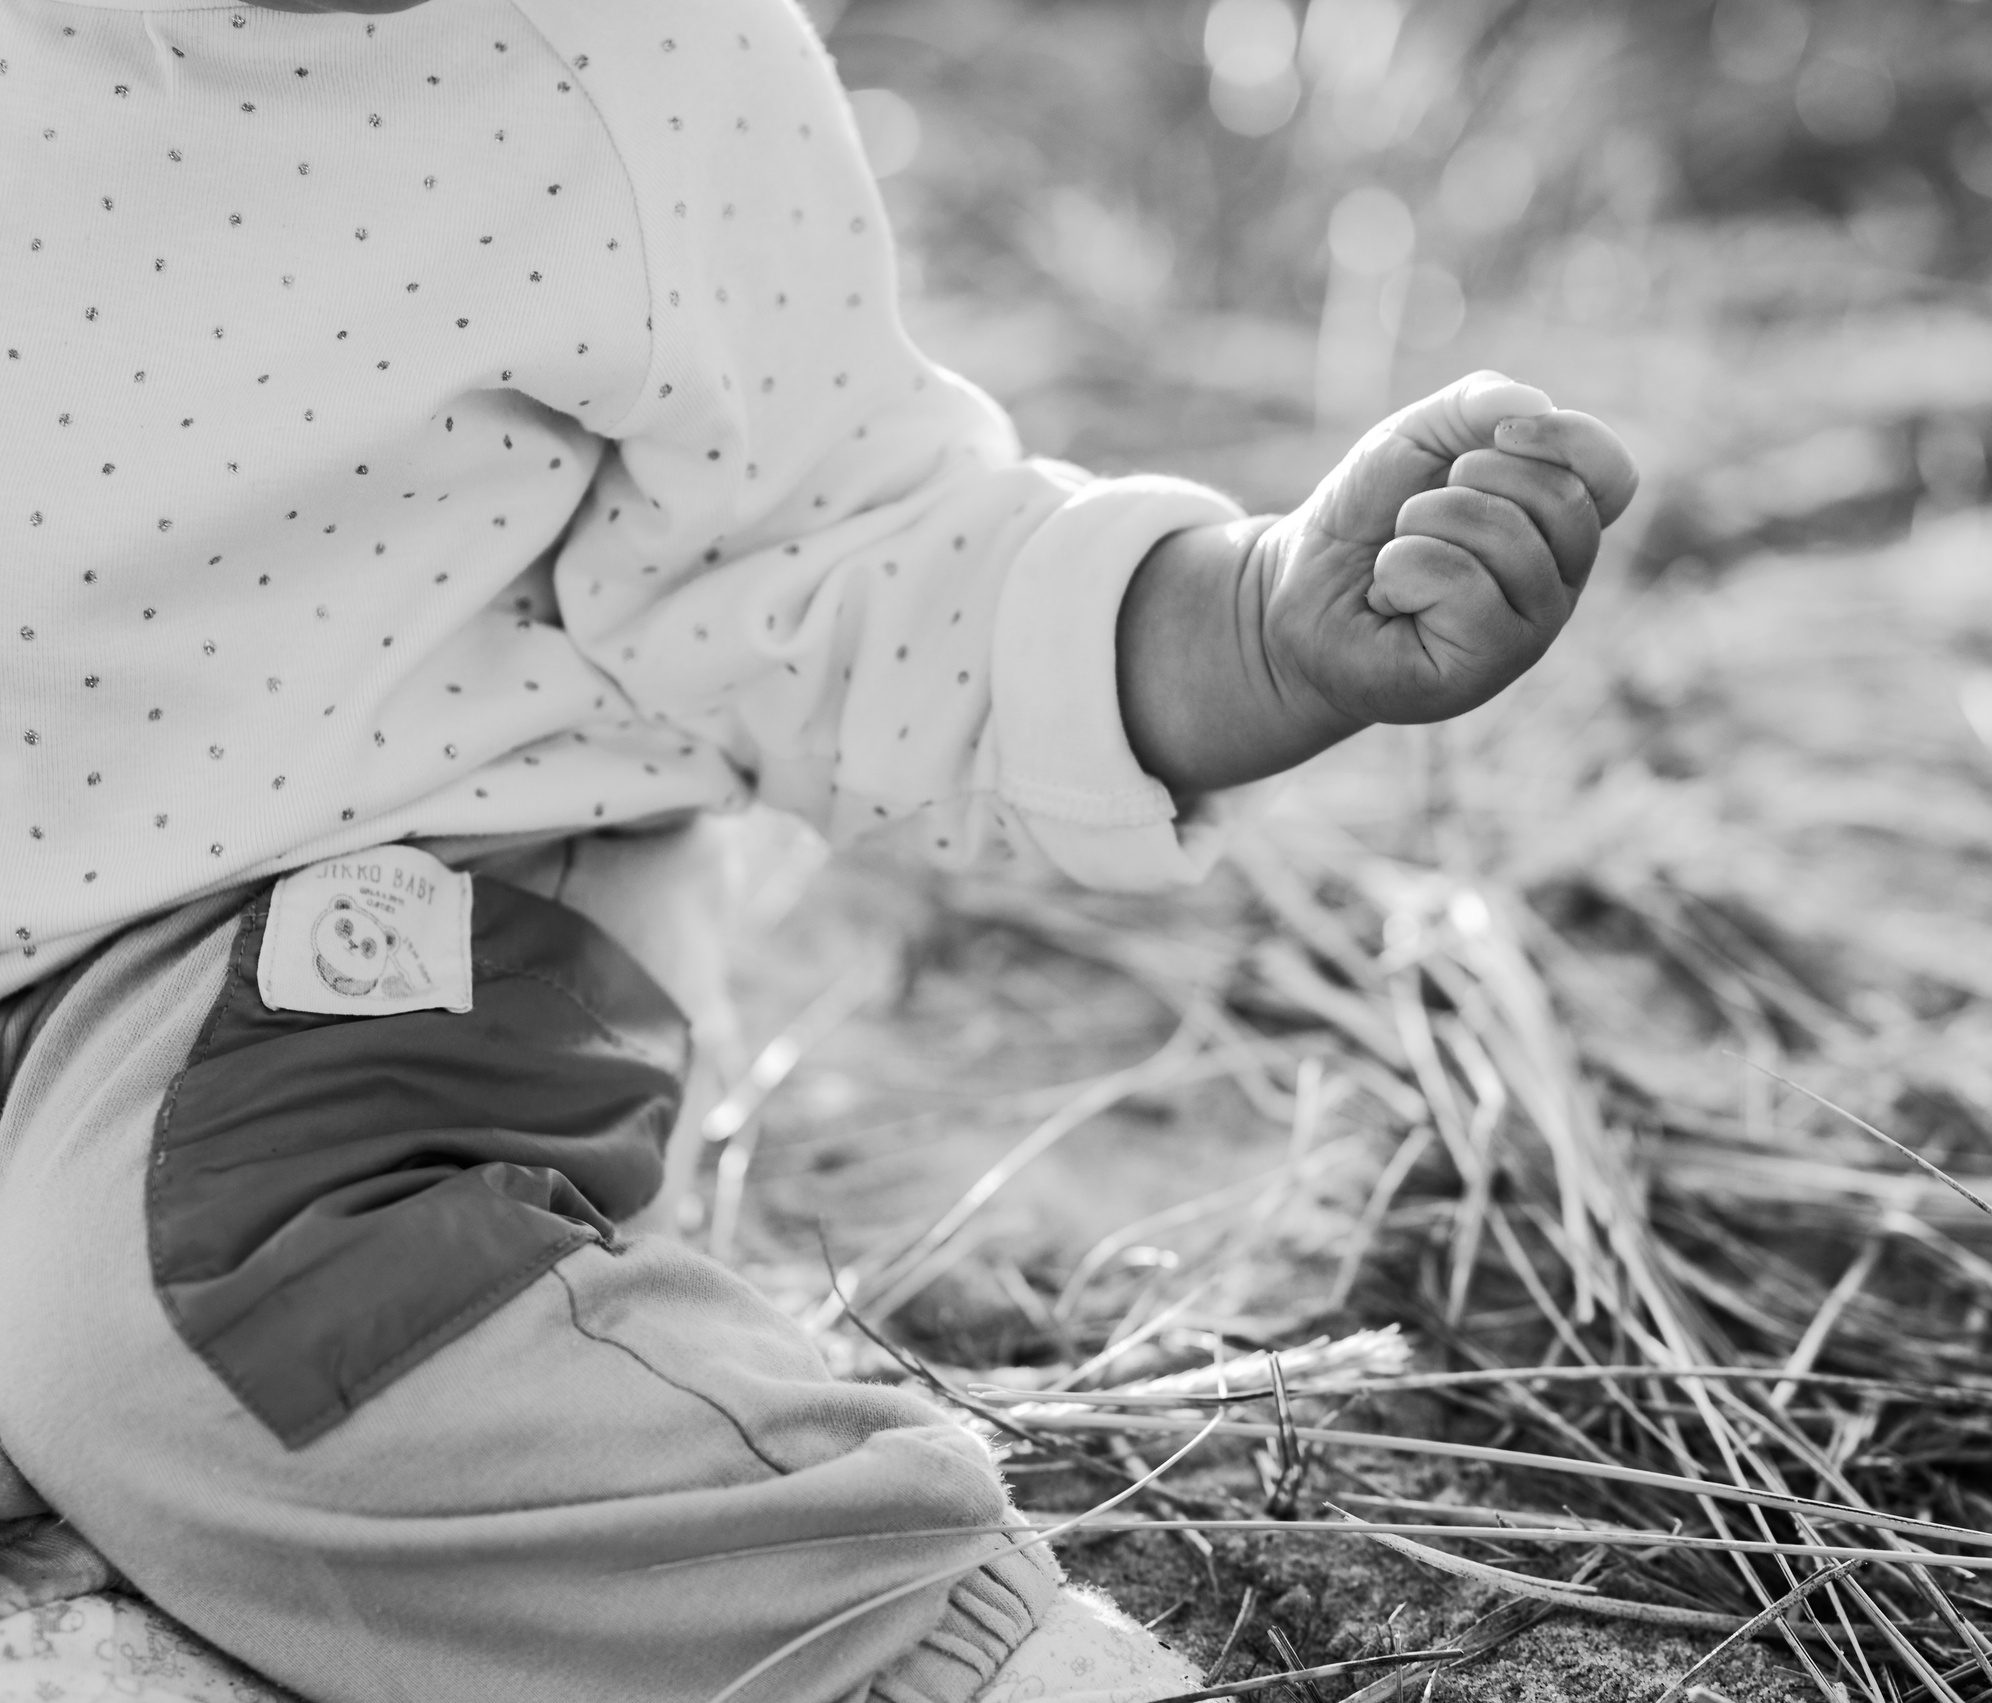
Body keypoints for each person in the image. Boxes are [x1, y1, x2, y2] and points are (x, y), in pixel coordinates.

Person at [0, 0, 1638, 1698]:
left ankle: (900, 1630)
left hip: (360, 915)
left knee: (221, 1318)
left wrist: (1240, 630)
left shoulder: (627, 67)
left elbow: (851, 554)